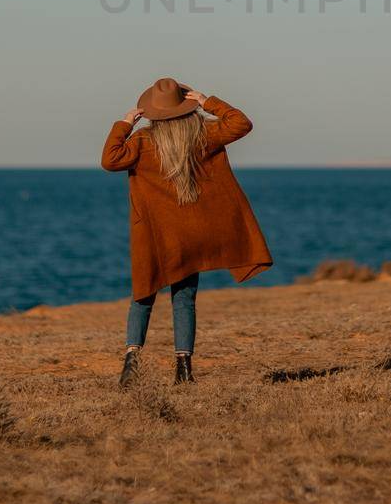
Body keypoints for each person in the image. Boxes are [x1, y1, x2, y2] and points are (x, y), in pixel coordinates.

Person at [101, 77, 272, 387]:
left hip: (155, 237)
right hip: (191, 237)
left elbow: (110, 159)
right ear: (186, 107)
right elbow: (241, 123)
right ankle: (184, 370)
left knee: (143, 296)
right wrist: (209, 102)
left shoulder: (141, 142)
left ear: (152, 111)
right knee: (184, 300)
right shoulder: (204, 135)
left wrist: (124, 123)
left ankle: (131, 364)